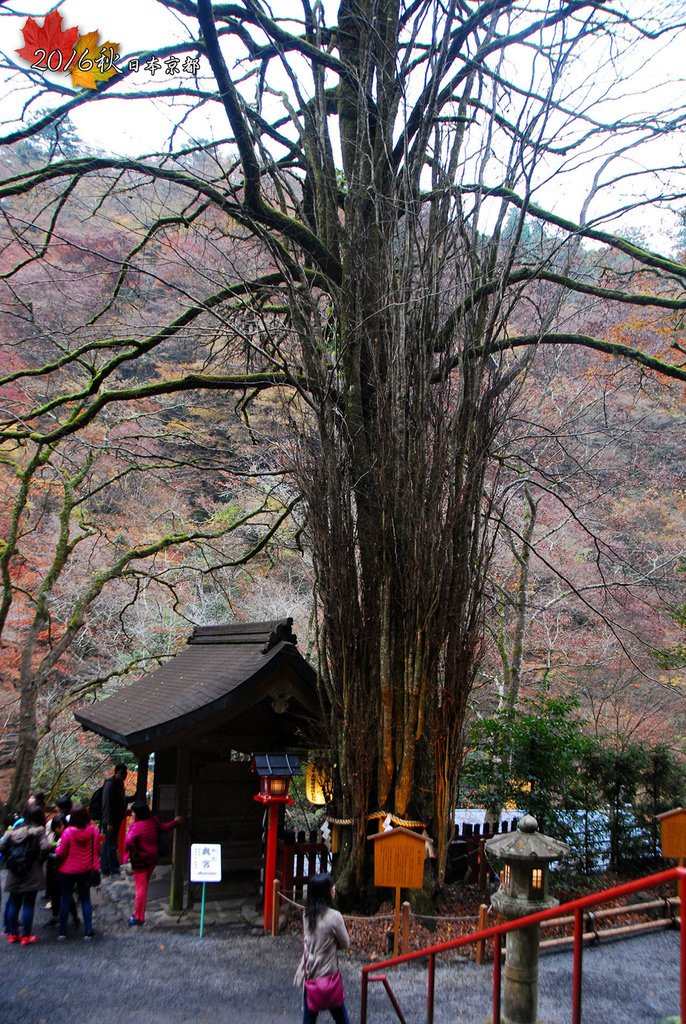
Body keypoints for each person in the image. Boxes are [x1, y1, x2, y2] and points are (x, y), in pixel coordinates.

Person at [296, 873, 351, 1024]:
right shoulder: (334, 917)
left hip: (310, 972)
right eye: (331, 887)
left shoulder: (307, 914)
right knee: (340, 1016)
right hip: (328, 974)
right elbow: (346, 944)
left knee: (309, 1016)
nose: (334, 889)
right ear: (326, 892)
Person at [124, 801, 181, 926]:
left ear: (137, 813)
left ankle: (138, 917)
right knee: (144, 885)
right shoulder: (153, 821)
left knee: (141, 888)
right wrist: (175, 822)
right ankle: (138, 914)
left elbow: (128, 842)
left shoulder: (136, 827)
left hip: (140, 861)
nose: (132, 814)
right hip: (152, 859)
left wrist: (128, 854)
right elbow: (164, 828)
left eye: (133, 812)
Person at [0, 804, 51, 945]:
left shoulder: (12, 832)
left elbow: (2, 846)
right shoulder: (38, 831)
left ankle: (12, 934)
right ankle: (26, 935)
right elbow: (46, 847)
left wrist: (9, 858)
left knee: (14, 903)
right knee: (28, 903)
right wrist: (39, 860)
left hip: (14, 871)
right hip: (32, 870)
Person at [55, 802, 100, 940]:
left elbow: (61, 852)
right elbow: (97, 850)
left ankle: (63, 931)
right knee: (85, 899)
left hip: (67, 870)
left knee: (66, 899)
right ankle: (88, 931)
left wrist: (56, 849)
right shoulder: (93, 831)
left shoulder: (68, 832)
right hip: (86, 869)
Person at [45, 813, 80, 930]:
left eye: (58, 827)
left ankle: (74, 918)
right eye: (55, 828)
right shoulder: (55, 835)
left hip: (65, 869)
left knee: (67, 896)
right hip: (55, 870)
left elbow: (63, 852)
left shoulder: (69, 835)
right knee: (55, 895)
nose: (57, 830)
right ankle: (56, 916)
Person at [99, 763, 131, 877]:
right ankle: (113, 869)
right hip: (110, 820)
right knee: (111, 844)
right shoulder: (110, 784)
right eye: (122, 773)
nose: (124, 776)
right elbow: (107, 804)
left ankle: (105, 868)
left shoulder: (118, 784)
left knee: (109, 844)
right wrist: (109, 821)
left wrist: (132, 798)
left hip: (115, 819)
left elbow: (121, 800)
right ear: (116, 772)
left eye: (125, 773)